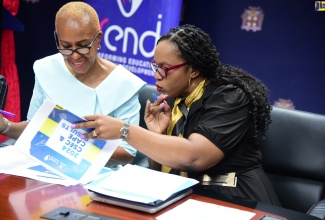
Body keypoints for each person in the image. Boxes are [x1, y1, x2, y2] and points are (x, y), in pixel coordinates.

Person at [72, 24, 281, 205]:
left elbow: (194, 157)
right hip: (190, 196)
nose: (156, 75)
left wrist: (124, 130)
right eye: (155, 66)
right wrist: (158, 135)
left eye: (164, 68)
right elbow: (164, 169)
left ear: (193, 70)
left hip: (236, 197)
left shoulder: (230, 96)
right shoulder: (172, 98)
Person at [0, 2, 146, 169]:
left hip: (98, 176)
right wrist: (5, 127)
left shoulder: (124, 84)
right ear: (57, 40)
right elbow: (34, 127)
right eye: (66, 47)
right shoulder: (46, 69)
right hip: (46, 170)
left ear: (98, 39)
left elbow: (127, 153)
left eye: (83, 46)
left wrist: (72, 148)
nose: (75, 56)